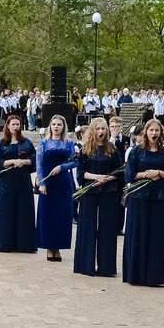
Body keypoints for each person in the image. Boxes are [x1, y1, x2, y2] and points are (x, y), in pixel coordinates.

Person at [122, 119, 164, 286]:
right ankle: (136, 273)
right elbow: (129, 175)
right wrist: (147, 174)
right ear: (145, 132)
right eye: (151, 130)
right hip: (139, 197)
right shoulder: (136, 151)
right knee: (139, 233)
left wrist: (159, 172)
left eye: (157, 130)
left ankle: (154, 275)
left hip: (159, 197)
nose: (154, 133)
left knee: (156, 235)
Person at [74, 117, 123, 277]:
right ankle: (85, 265)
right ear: (93, 131)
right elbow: (81, 174)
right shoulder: (85, 149)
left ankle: (106, 267)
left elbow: (120, 172)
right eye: (98, 129)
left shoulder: (113, 149)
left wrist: (107, 178)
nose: (101, 132)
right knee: (87, 227)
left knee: (107, 229)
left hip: (109, 192)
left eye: (103, 129)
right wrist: (96, 177)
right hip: (90, 191)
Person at [34, 115, 77, 262]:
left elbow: (75, 162)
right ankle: (48, 247)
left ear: (64, 127)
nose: (56, 127)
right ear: (50, 126)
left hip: (64, 182)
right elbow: (39, 164)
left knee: (62, 215)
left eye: (59, 124)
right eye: (54, 124)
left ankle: (58, 247)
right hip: (48, 182)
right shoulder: (44, 143)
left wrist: (62, 166)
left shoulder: (69, 143)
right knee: (48, 215)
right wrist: (41, 183)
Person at [0, 114, 37, 253]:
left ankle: (24, 244)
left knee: (23, 211)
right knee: (6, 212)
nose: (16, 127)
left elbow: (35, 160)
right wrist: (10, 162)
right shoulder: (1, 143)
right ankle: (5, 243)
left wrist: (23, 162)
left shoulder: (27, 142)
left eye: (18, 124)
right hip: (6, 182)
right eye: (13, 124)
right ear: (8, 125)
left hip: (23, 181)